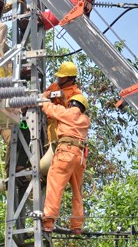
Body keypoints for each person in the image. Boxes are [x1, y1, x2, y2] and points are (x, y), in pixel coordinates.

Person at [39, 93, 90, 235]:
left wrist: (43, 96)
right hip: (79, 157)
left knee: (55, 186)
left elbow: (48, 108)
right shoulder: (85, 120)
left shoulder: (66, 113)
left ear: (71, 104)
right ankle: (77, 226)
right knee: (77, 192)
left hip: (65, 153)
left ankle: (48, 221)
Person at [44, 61, 82, 145]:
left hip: (59, 129)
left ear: (71, 79)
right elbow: (41, 98)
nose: (59, 79)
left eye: (62, 77)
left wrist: (64, 100)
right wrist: (45, 97)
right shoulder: (54, 86)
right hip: (45, 124)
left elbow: (74, 117)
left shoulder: (75, 94)